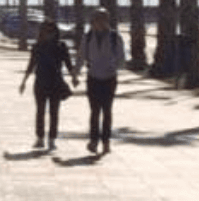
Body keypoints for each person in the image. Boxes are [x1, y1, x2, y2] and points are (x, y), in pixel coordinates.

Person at [18, 20, 77, 150]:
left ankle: (51, 139)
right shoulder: (37, 46)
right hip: (40, 83)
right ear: (41, 32)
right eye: (46, 31)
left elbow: (68, 64)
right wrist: (24, 82)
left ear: (56, 32)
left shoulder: (61, 46)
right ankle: (40, 138)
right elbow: (31, 64)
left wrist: (74, 77)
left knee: (54, 112)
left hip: (55, 82)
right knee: (40, 111)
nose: (49, 34)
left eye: (51, 31)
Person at [79, 8, 124, 154]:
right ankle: (93, 140)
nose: (96, 23)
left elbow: (121, 59)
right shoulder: (88, 37)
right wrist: (75, 72)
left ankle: (106, 141)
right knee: (94, 112)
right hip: (93, 78)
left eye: (100, 20)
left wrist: (111, 67)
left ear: (105, 21)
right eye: (94, 20)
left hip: (109, 79)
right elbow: (81, 56)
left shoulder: (115, 37)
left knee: (107, 111)